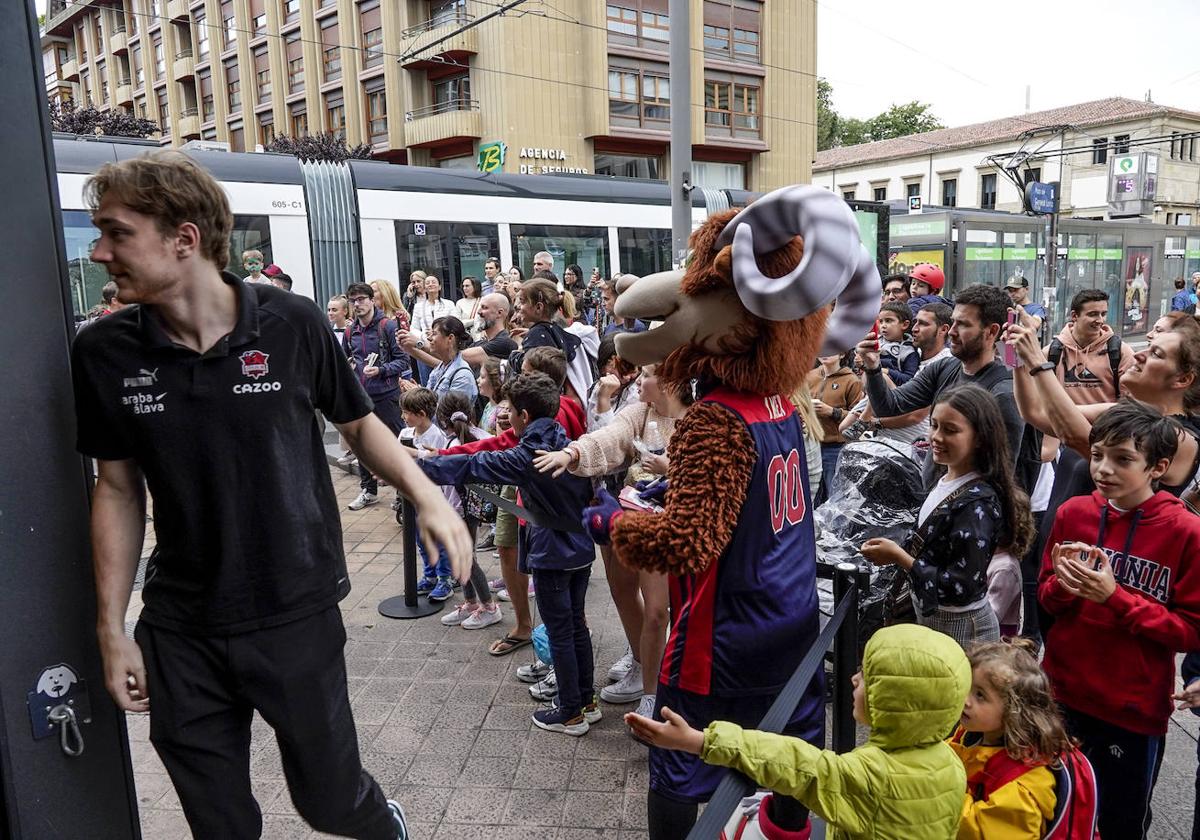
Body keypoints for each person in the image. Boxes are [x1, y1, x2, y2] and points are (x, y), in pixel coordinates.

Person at [72, 151, 471, 840]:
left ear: (184, 238)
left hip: (296, 612)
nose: (100, 251)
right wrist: (111, 629)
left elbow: (357, 422)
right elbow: (117, 487)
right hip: (181, 626)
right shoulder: (105, 352)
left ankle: (386, 825)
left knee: (331, 804)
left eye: (116, 232)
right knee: (221, 827)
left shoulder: (292, 324)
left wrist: (425, 491)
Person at [625, 624, 972, 840]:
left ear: (898, 703)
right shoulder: (952, 763)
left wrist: (700, 741)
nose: (854, 679)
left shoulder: (873, 778)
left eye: (867, 677)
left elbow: (795, 765)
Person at [1039, 400, 1200, 838]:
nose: (1103, 469)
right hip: (1063, 693)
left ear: (1158, 467)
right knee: (1055, 808)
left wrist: (1116, 599)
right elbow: (1046, 600)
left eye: (1122, 458)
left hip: (1131, 709)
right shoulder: (1075, 513)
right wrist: (1063, 586)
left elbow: (1189, 631)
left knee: (1120, 820)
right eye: (1096, 455)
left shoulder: (1185, 531)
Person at [417, 372, 600, 735]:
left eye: (511, 411)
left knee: (561, 631)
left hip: (553, 553)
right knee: (576, 626)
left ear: (525, 416)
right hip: (581, 548)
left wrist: (420, 464)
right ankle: (585, 701)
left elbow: (475, 465)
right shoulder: (569, 442)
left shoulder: (529, 455)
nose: (506, 416)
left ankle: (570, 712)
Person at [535, 363, 683, 724]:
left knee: (658, 610)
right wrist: (572, 454)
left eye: (647, 374)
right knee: (621, 589)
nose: (638, 381)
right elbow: (608, 437)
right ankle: (641, 662)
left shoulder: (698, 418)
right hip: (624, 513)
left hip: (670, 527)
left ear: (668, 381)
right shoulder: (638, 411)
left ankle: (654, 692)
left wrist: (671, 468)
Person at [862, 385, 1033, 647]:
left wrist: (899, 557)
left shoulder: (979, 503)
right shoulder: (948, 478)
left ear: (980, 437)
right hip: (937, 620)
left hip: (961, 630)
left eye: (950, 430)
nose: (936, 437)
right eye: (934, 426)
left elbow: (959, 588)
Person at [858, 283, 1028, 490]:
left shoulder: (1003, 393)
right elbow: (888, 406)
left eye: (963, 324)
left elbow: (1002, 478)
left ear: (991, 331)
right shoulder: (944, 368)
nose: (952, 332)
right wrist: (873, 367)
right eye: (953, 322)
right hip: (935, 500)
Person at [948, 639, 1069, 839]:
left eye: (980, 695)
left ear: (1014, 711)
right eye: (967, 686)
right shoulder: (972, 733)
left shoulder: (1022, 787)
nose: (966, 700)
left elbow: (978, 831)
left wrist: (935, 791)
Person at [433, 392, 503, 630]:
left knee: (465, 559)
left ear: (443, 418)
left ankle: (488, 606)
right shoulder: (481, 436)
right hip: (472, 508)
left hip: (457, 509)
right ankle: (471, 603)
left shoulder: (453, 443)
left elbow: (445, 482)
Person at [344, 282, 413, 511]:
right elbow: (344, 359)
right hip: (361, 398)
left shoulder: (388, 326)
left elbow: (403, 361)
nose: (358, 304)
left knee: (396, 442)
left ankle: (402, 493)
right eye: (353, 300)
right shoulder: (349, 330)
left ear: (372, 300)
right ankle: (368, 490)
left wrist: (381, 370)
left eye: (362, 298)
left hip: (387, 395)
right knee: (362, 444)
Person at [401, 387, 457, 602]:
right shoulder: (405, 434)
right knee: (421, 539)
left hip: (434, 498)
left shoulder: (436, 436)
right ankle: (429, 574)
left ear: (422, 414)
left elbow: (440, 462)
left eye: (407, 412)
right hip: (412, 496)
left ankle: (445, 578)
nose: (403, 417)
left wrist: (416, 454)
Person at [1041, 289, 1133, 406]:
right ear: (1074, 316)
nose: (1100, 320)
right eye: (1093, 314)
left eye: (1103, 314)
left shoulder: (1120, 352)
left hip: (1107, 423)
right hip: (1064, 424)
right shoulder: (1051, 352)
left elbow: (1130, 403)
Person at [514, 279, 594, 404]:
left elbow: (529, 367)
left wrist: (515, 355)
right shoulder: (554, 330)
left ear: (539, 307)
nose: (518, 306)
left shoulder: (537, 334)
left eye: (522, 301)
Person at [806, 350, 863, 505]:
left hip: (835, 448)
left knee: (834, 498)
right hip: (810, 445)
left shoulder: (852, 381)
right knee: (809, 497)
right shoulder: (809, 376)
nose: (825, 352)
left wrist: (832, 412)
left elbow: (860, 418)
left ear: (842, 354)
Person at [410, 275, 456, 384]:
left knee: (447, 377)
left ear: (440, 287)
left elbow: (455, 322)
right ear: (425, 288)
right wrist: (423, 336)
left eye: (433, 282)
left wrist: (438, 332)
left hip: (445, 346)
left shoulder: (449, 304)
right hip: (425, 345)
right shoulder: (418, 306)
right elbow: (413, 327)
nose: (431, 284)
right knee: (427, 380)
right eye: (428, 283)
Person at [422, 316, 479, 403]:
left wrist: (418, 399)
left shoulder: (462, 376)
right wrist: (416, 393)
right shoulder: (439, 368)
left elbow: (451, 414)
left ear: (450, 338)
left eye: (434, 334)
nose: (429, 338)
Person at [876, 301, 919, 385]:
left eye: (888, 321)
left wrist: (887, 371)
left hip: (892, 392)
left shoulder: (909, 352)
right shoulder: (875, 341)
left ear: (904, 325)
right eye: (881, 321)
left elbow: (909, 379)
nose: (883, 325)